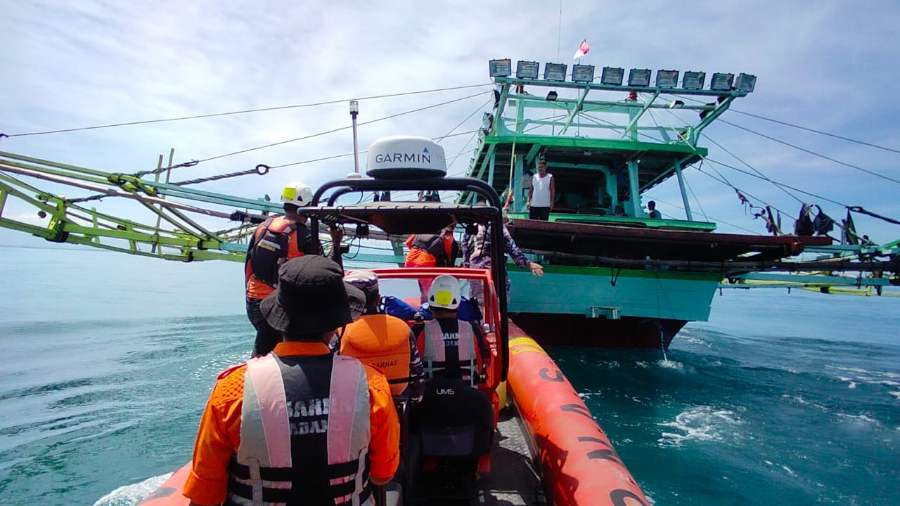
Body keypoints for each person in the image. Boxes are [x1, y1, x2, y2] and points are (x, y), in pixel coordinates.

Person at [184, 256, 399, 506]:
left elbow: (205, 494)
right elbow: (383, 474)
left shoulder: (233, 389)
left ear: (279, 318)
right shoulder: (371, 385)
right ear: (336, 324)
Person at [245, 181, 344, 357]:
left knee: (264, 346)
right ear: (307, 205)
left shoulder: (263, 226)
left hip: (254, 301)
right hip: (281, 305)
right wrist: (336, 243)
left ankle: (255, 369)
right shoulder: (304, 235)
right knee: (284, 352)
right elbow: (324, 272)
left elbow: (249, 264)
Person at [341, 270, 426, 401]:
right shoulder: (403, 329)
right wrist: (415, 402)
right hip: (398, 402)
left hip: (357, 403)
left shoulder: (340, 333)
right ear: (378, 298)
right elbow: (417, 376)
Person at [462, 203, 543, 302]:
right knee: (497, 302)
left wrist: (467, 269)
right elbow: (512, 247)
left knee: (479, 302)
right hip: (494, 269)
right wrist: (528, 263)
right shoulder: (497, 226)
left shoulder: (469, 229)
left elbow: (465, 251)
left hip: (476, 272)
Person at [420, 275, 491, 386]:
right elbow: (483, 362)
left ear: (430, 304)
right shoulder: (473, 329)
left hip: (430, 395)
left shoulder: (419, 331)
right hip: (468, 393)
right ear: (458, 303)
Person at [527, 156, 555, 220]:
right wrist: (528, 201)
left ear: (545, 167)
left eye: (542, 167)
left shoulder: (550, 177)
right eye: (539, 167)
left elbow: (552, 191)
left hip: (545, 206)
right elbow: (530, 190)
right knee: (532, 223)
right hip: (533, 205)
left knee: (544, 224)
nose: (540, 169)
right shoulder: (534, 177)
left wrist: (552, 203)